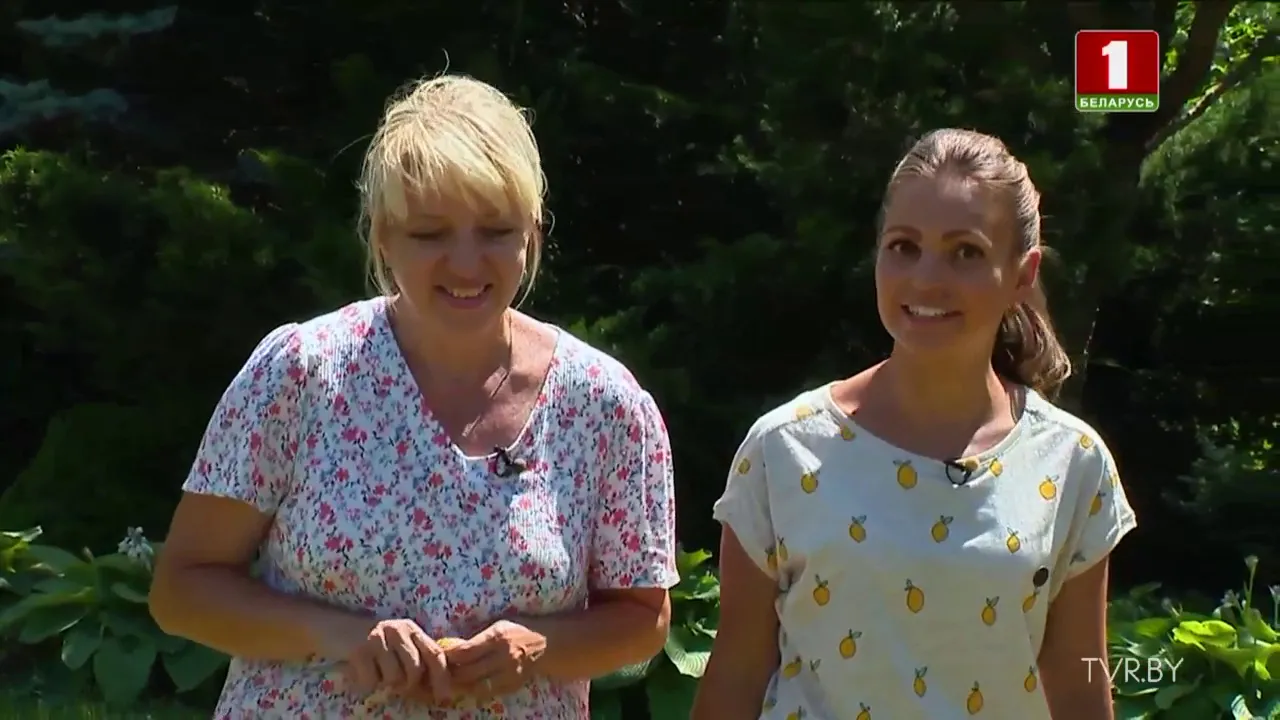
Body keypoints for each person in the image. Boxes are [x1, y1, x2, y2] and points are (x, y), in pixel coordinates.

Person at [148, 74, 679, 719]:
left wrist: (538, 647)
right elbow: (183, 590)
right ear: (382, 238)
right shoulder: (302, 373)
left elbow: (643, 617)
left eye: (495, 230)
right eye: (430, 234)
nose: (466, 263)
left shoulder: (604, 405)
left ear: (533, 234)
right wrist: (338, 635)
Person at [692, 129, 1136, 720]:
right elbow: (736, 675)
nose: (926, 279)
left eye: (966, 252)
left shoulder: (1073, 462)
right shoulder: (784, 450)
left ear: (1023, 274)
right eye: (904, 246)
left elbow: (1080, 686)